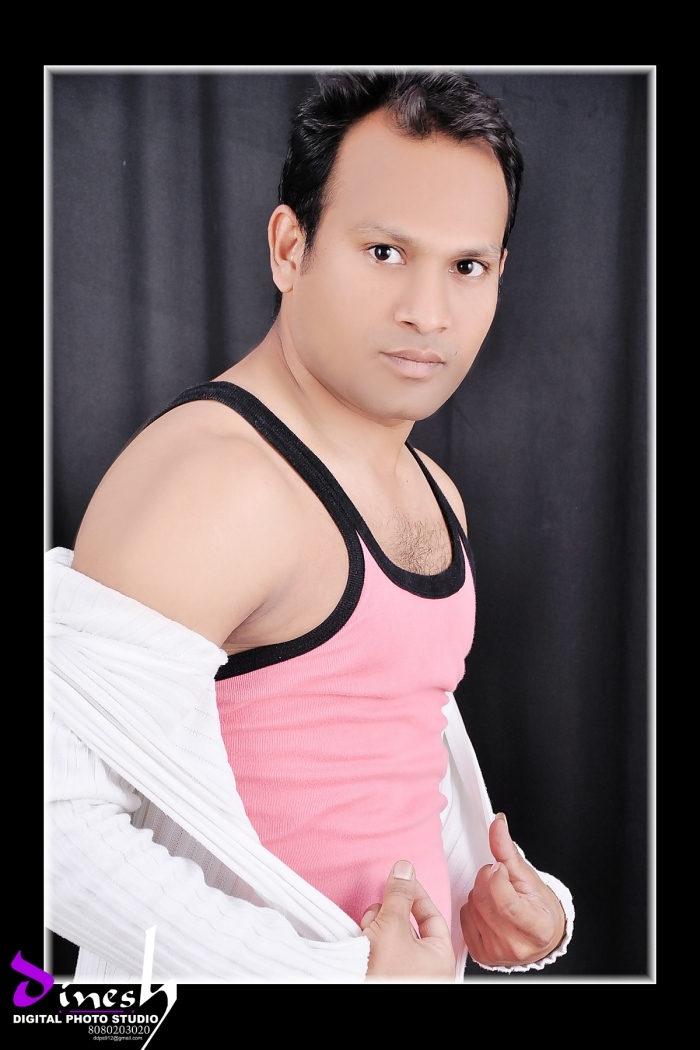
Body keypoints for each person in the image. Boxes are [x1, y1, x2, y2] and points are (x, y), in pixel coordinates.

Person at [47, 71, 574, 982]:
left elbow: (386, 767)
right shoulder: (218, 481)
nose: (428, 312)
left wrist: (505, 904)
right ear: (291, 248)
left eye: (467, 267)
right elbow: (57, 829)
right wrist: (336, 976)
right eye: (384, 251)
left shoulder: (435, 493)